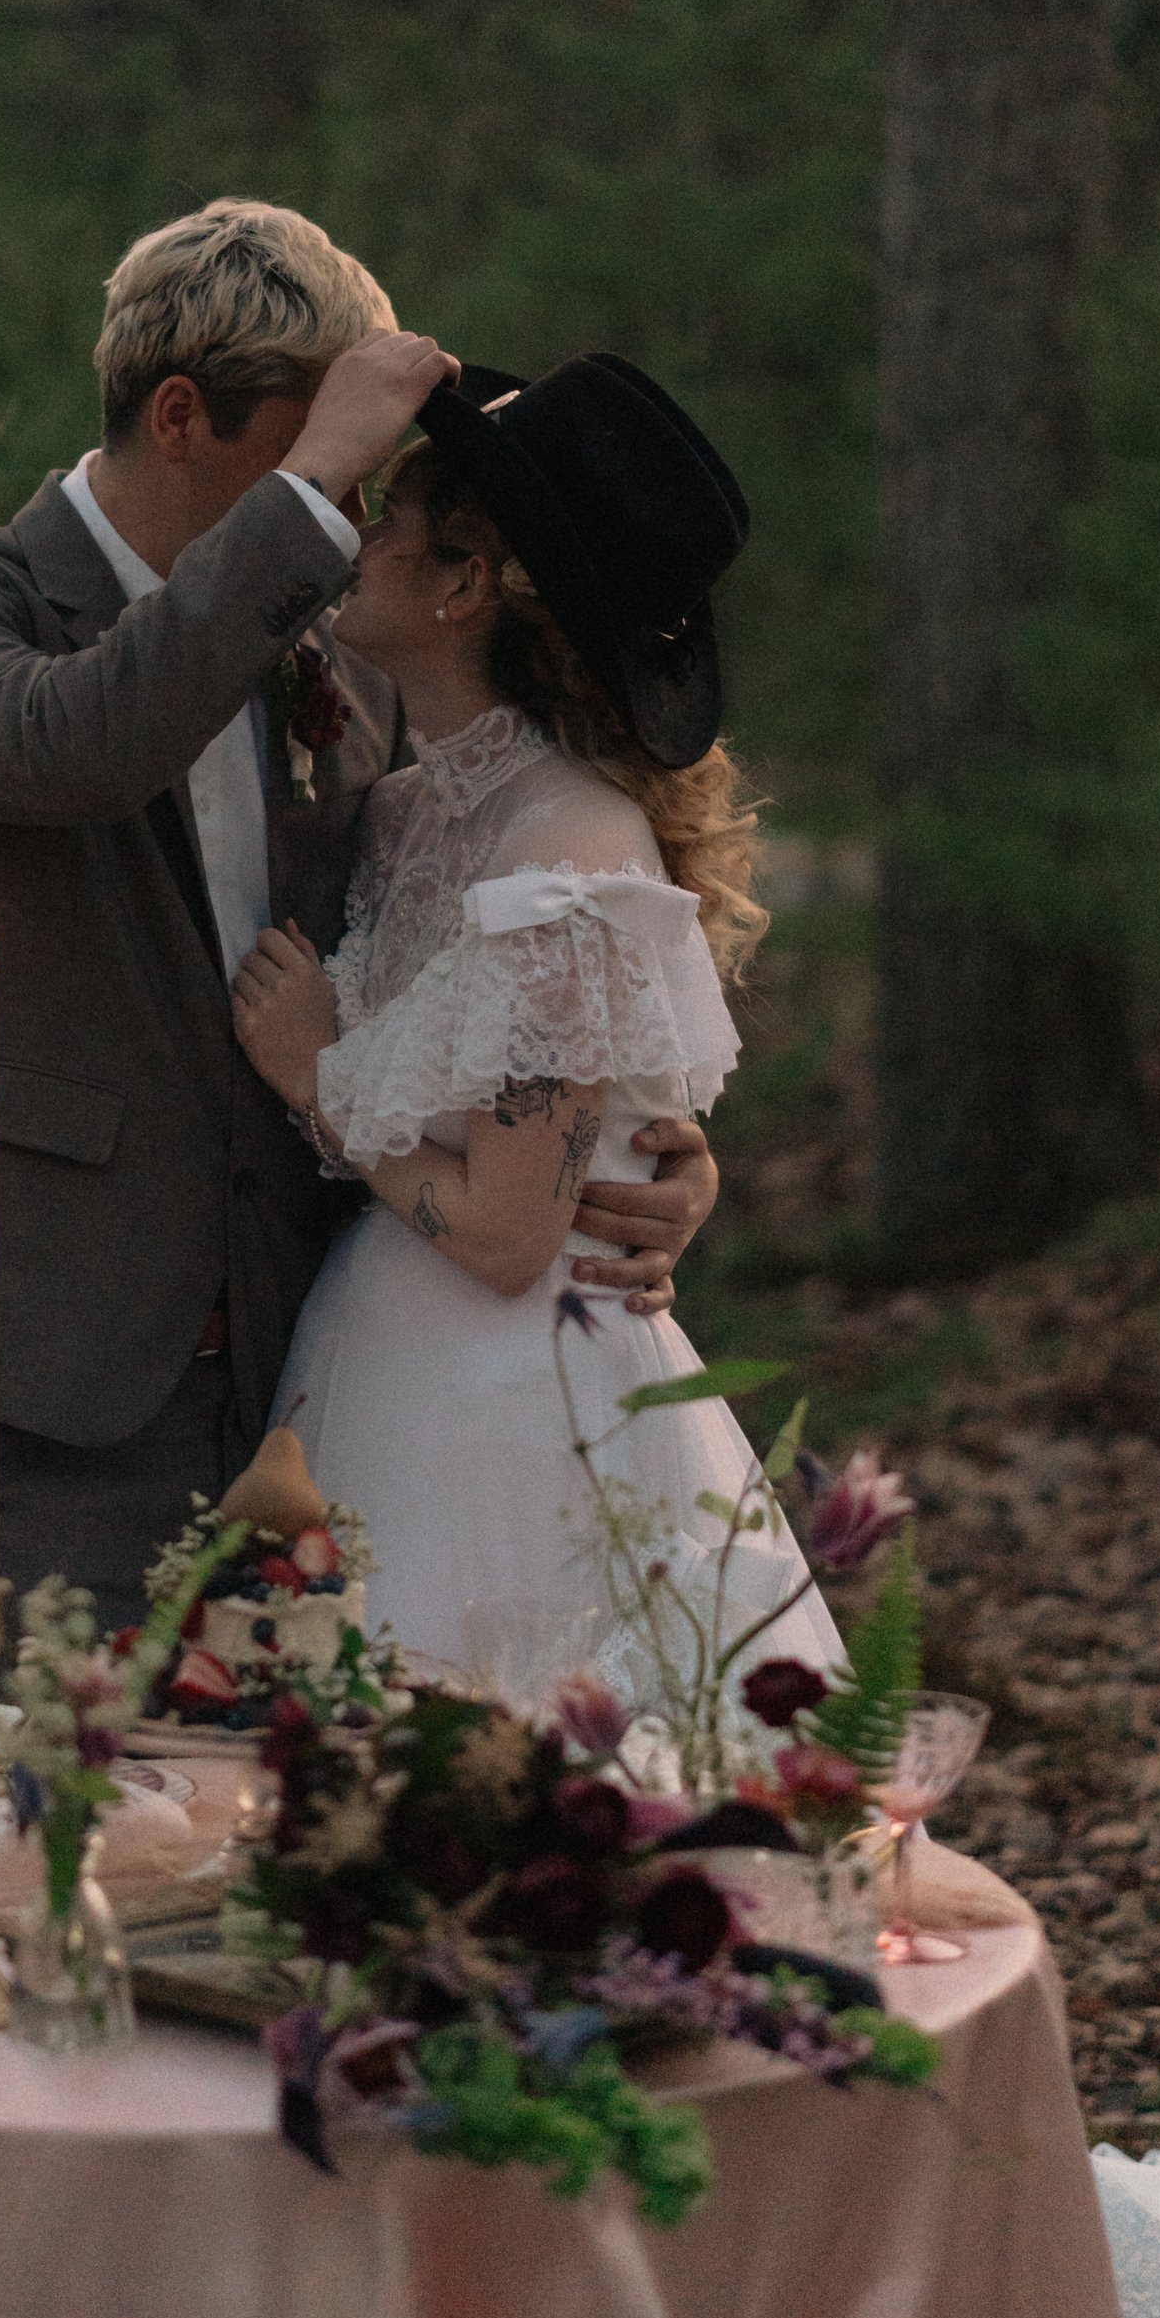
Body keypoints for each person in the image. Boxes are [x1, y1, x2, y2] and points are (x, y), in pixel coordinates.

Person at [0, 204, 722, 1638]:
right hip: (44, 1386)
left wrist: (626, 1156)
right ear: (181, 415)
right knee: (17, 1836)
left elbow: (468, 974)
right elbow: (85, 741)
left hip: (321, 1373)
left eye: (364, 478)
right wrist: (303, 497)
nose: (355, 508)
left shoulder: (338, 657)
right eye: (332, 460)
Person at [233, 352, 839, 1690]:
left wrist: (313, 1073)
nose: (362, 534)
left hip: (512, 1404)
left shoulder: (573, 840)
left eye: (392, 514)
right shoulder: (398, 812)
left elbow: (509, 1232)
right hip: (382, 1360)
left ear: (463, 582)